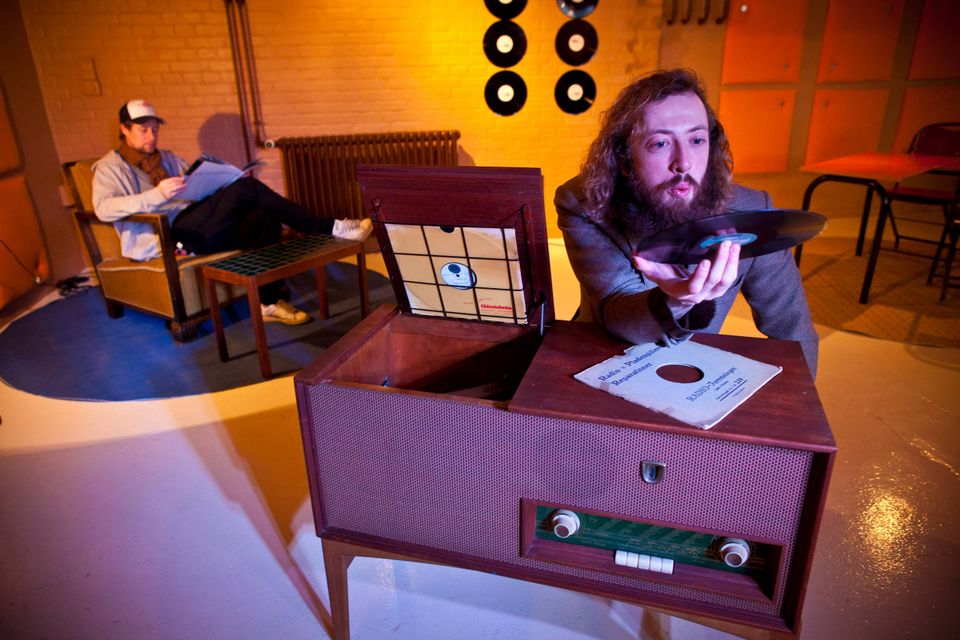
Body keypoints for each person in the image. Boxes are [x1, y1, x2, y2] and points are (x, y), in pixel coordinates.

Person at [555, 69, 818, 375]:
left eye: (696, 139)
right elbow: (616, 308)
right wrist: (675, 301)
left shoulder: (753, 210)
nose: (684, 162)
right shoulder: (584, 202)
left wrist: (799, 401)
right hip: (599, 357)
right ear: (624, 159)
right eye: (660, 144)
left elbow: (793, 331)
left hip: (692, 368)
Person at [92, 99, 373, 325]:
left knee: (263, 216)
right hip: (170, 236)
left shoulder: (167, 158)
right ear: (124, 129)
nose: (152, 136)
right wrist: (156, 195)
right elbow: (103, 209)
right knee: (248, 188)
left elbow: (194, 188)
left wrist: (220, 181)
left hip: (200, 227)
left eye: (155, 129)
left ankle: (268, 303)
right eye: (143, 130)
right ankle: (330, 227)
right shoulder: (109, 168)